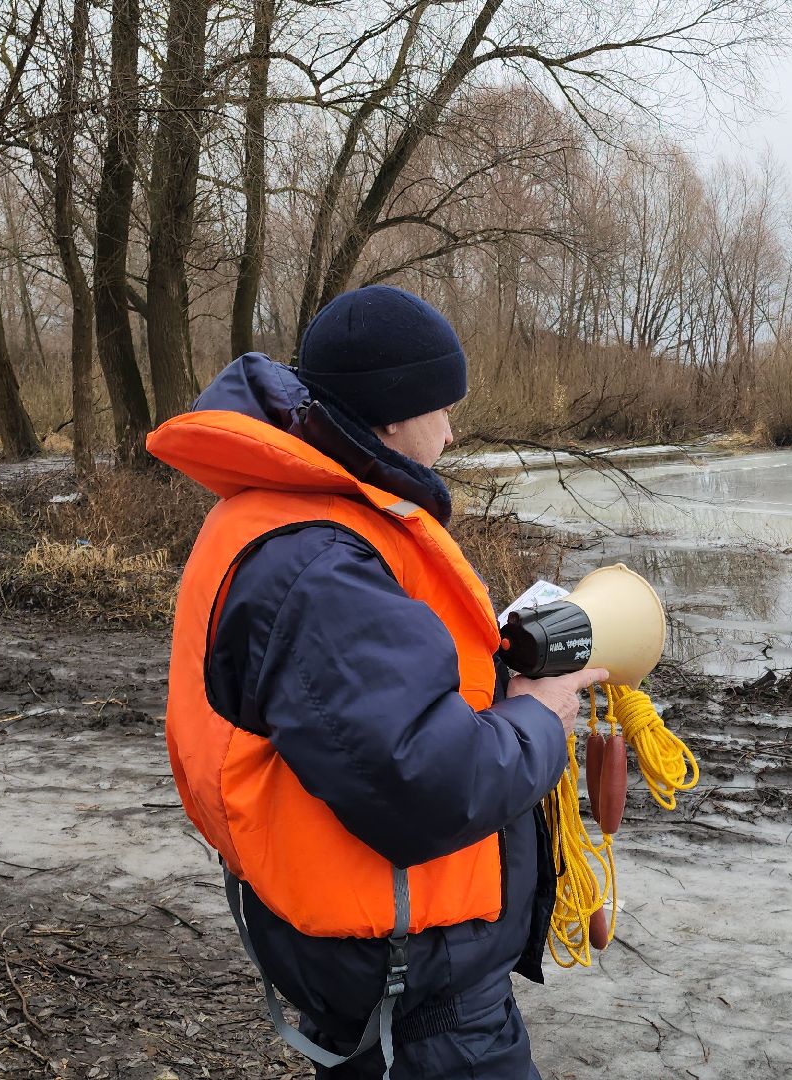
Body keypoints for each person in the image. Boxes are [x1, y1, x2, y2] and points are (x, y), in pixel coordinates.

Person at [148, 284, 606, 1079]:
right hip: (418, 1005)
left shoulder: (288, 514)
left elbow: (362, 712)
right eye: (442, 406)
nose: (453, 428)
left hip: (375, 977)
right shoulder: (324, 564)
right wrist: (540, 716)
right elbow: (423, 784)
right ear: (392, 413)